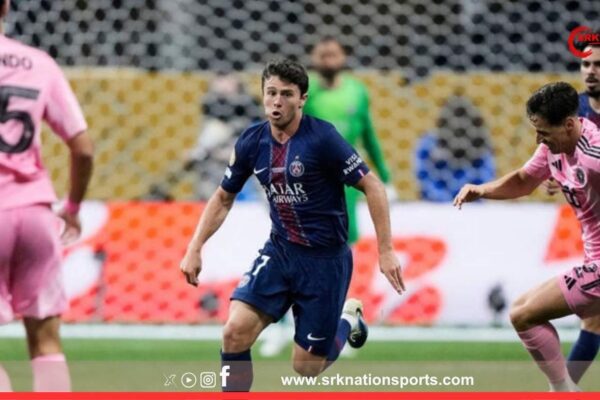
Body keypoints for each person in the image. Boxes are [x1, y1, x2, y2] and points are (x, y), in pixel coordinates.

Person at [180, 59, 404, 391]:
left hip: (324, 261)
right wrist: (195, 247)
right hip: (281, 251)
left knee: (306, 368)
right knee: (234, 332)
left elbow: (373, 186)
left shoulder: (323, 138)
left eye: (286, 94)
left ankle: (347, 320)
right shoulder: (252, 141)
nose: (277, 101)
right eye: (271, 92)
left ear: (302, 99)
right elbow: (223, 197)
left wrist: (385, 250)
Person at [454, 81, 600, 392]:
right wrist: (483, 190)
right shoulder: (553, 149)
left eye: (544, 132)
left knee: (523, 315)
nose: (538, 139)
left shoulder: (594, 156)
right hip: (593, 258)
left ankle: (563, 392)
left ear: (569, 124)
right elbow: (523, 180)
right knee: (586, 321)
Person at [0, 0, 94, 392]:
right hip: (36, 215)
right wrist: (71, 207)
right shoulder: (38, 63)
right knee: (46, 344)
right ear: (6, 6)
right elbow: (83, 149)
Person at [540, 44, 600, 384]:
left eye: (598, 65)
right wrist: (555, 176)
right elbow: (558, 157)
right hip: (594, 231)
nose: (591, 71)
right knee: (593, 319)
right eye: (585, 64)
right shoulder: (573, 110)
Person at [304, 36, 394, 244]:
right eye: (323, 56)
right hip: (312, 172)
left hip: (347, 171)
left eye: (333, 55)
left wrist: (385, 177)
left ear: (343, 57)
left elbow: (368, 135)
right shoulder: (304, 92)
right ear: (313, 58)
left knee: (347, 232)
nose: (328, 60)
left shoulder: (357, 91)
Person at [414, 95, 495, 201]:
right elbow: (424, 179)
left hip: (472, 206)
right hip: (436, 205)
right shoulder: (429, 145)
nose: (459, 126)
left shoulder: (481, 146)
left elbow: (484, 183)